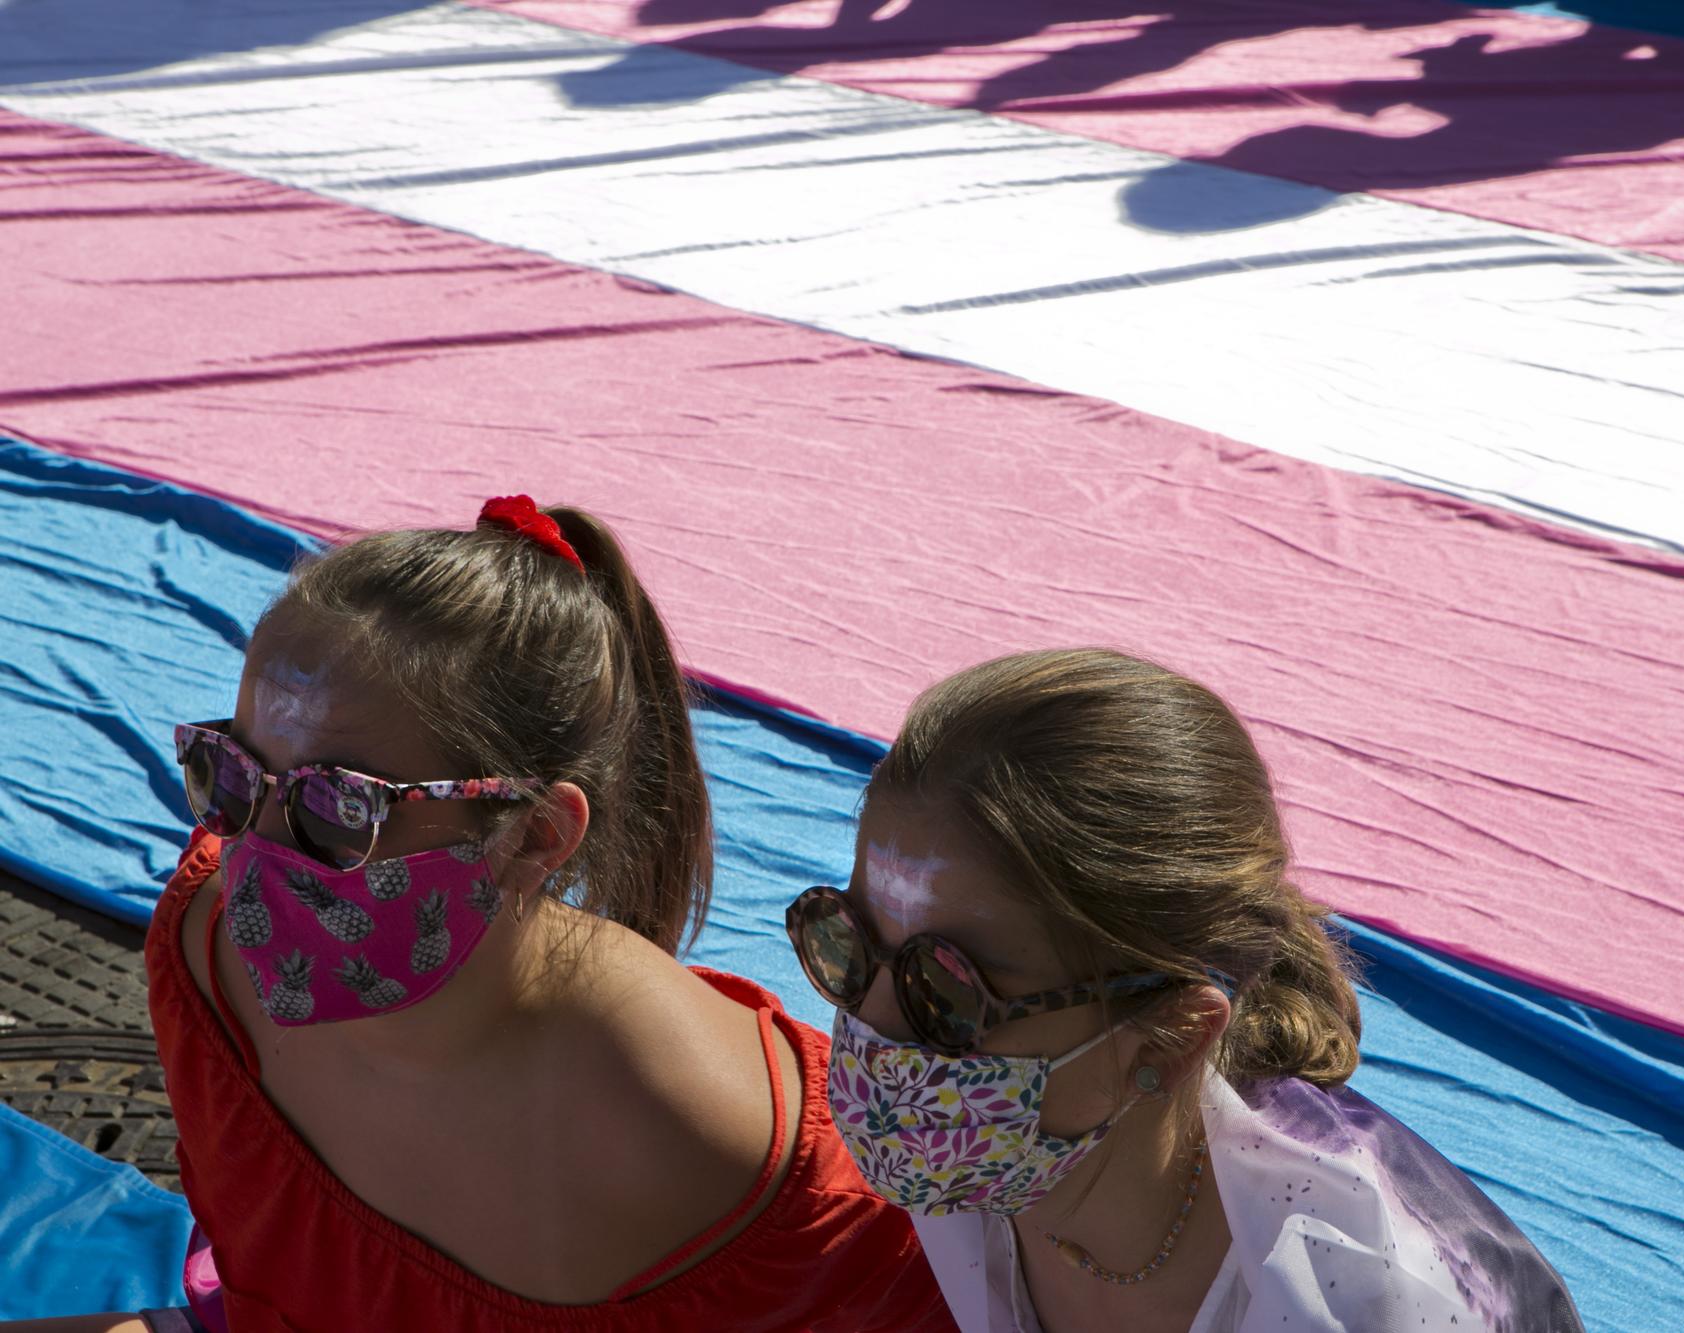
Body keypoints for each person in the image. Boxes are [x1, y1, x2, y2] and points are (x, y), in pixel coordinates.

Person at [7, 497, 951, 1333]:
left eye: (339, 806)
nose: (252, 853)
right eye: (231, 773)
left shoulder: (696, 1130)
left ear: (535, 834)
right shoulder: (204, 942)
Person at [785, 649, 1583, 1333]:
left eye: (949, 991)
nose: (874, 1024)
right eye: (845, 942)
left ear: (1171, 1037)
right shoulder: (988, 1165)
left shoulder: (1358, 1296)